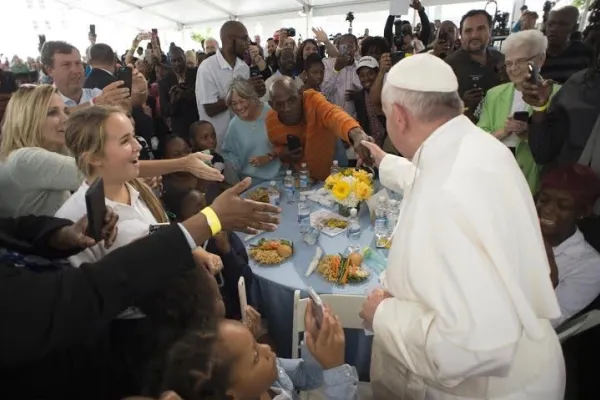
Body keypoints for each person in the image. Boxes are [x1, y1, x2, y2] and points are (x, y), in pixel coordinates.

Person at [358, 53, 564, 399]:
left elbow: (470, 347)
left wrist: (383, 314)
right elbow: (429, 179)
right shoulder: (477, 148)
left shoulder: (446, 194)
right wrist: (385, 162)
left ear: (399, 117)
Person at [0, 178, 281, 399]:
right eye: (123, 140)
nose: (136, 147)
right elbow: (85, 289)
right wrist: (207, 221)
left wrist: (60, 235)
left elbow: (15, 228)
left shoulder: (131, 196)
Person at [0, 86, 223, 218]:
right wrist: (182, 163)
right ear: (26, 118)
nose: (65, 119)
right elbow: (106, 172)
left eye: (65, 110)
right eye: (52, 113)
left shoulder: (60, 149)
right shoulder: (23, 159)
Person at [160, 305, 358, 399]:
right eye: (255, 356)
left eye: (256, 342)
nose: (267, 348)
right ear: (231, 396)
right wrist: (335, 369)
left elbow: (308, 377)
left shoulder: (269, 377)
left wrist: (314, 341)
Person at [477, 29, 561, 193]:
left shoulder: (557, 94)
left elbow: (557, 147)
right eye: (508, 63)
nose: (513, 68)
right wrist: (504, 131)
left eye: (521, 61)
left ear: (540, 59)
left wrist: (529, 133)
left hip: (534, 177)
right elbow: (479, 137)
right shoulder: (494, 94)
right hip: (496, 171)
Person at [266, 76, 372, 181]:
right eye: (280, 104)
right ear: (272, 105)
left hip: (333, 166)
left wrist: (357, 134)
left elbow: (333, 114)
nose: (288, 108)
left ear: (300, 95)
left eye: (292, 100)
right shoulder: (271, 121)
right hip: (303, 178)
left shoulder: (313, 101)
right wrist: (282, 154)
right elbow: (278, 145)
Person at [536, 164, 600, 328]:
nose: (548, 209)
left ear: (582, 212)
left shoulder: (591, 266)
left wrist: (550, 278)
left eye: (563, 205)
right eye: (544, 199)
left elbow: (548, 323)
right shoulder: (521, 230)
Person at [196, 21, 265, 148]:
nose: (248, 43)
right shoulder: (207, 67)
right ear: (229, 39)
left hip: (241, 138)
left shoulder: (243, 67)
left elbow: (247, 103)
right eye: (244, 38)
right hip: (217, 142)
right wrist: (242, 91)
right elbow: (210, 109)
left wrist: (256, 93)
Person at [445, 10, 506, 116]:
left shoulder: (501, 59)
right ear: (461, 34)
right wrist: (462, 104)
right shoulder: (448, 66)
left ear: (490, 31)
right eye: (468, 30)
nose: (474, 35)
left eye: (481, 29)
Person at [221, 77, 281, 183]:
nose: (239, 107)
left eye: (241, 101)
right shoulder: (234, 124)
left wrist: (269, 157)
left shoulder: (272, 113)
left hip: (280, 178)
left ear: (252, 97)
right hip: (251, 184)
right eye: (234, 103)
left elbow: (287, 144)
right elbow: (229, 154)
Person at [541, 6, 594, 85]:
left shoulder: (585, 53)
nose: (553, 29)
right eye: (550, 24)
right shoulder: (533, 52)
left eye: (562, 24)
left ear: (574, 28)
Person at [160, 46, 199, 139]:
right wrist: (173, 101)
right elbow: (165, 111)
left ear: (185, 58)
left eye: (179, 60)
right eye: (173, 61)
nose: (177, 63)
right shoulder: (164, 81)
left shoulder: (196, 73)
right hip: (179, 127)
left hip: (197, 121)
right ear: (169, 61)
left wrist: (184, 94)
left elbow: (202, 97)